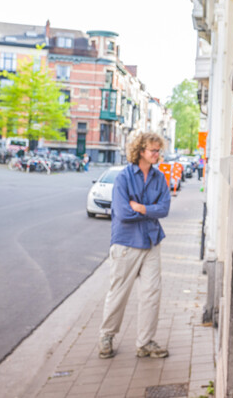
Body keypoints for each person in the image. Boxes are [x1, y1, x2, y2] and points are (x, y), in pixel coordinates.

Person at [99, 132, 171, 359]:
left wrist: (140, 207)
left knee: (152, 294)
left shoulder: (159, 178)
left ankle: (145, 342)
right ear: (141, 151)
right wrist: (150, 209)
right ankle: (107, 336)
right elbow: (122, 213)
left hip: (151, 241)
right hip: (126, 243)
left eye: (159, 150)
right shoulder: (123, 178)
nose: (157, 154)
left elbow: (165, 209)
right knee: (118, 293)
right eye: (153, 150)